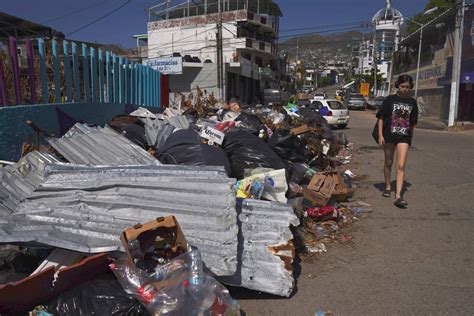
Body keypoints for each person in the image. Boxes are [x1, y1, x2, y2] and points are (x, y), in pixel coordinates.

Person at [376, 74, 418, 209]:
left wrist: (410, 138)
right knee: (388, 162)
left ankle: (398, 196)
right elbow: (381, 118)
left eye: (407, 87)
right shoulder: (390, 100)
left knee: (401, 166)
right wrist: (380, 135)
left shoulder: (412, 102)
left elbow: (412, 123)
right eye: (402, 86)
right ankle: (388, 186)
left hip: (403, 137)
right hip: (389, 135)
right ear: (398, 86)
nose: (405, 89)